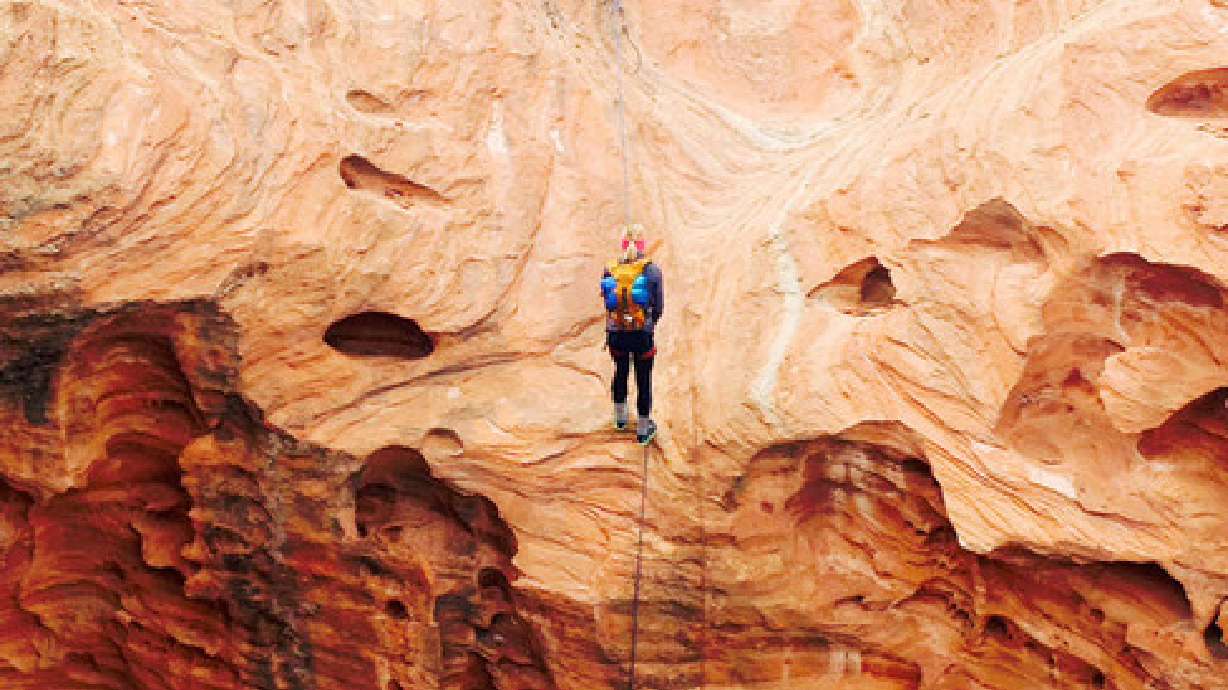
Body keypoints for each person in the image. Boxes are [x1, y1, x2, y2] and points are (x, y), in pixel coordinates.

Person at [600, 224, 663, 444]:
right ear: (643, 244)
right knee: (643, 379)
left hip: (617, 334)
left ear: (623, 244)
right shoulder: (652, 270)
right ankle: (644, 430)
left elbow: (607, 302)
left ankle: (620, 419)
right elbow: (659, 307)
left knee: (621, 371)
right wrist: (646, 324)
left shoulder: (610, 269)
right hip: (641, 336)